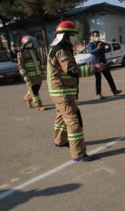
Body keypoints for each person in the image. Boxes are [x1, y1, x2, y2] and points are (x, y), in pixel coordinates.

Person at [47, 21, 104, 162]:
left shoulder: (60, 48)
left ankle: (59, 140)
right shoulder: (61, 50)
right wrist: (94, 68)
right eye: (72, 34)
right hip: (63, 92)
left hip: (58, 91)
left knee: (61, 117)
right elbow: (72, 70)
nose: (73, 37)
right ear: (65, 35)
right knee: (74, 121)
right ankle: (79, 154)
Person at [88, 30, 122, 99]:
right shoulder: (91, 44)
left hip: (104, 63)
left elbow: (106, 51)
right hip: (96, 64)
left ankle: (114, 90)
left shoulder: (102, 43)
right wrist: (97, 48)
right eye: (95, 35)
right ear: (92, 37)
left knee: (109, 77)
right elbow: (91, 51)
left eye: (98, 35)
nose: (97, 37)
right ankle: (98, 94)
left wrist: (108, 48)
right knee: (98, 79)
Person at [17, 35, 46, 111]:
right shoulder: (21, 53)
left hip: (37, 74)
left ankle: (27, 98)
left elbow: (40, 60)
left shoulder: (35, 50)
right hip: (29, 75)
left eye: (31, 42)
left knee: (36, 88)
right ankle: (39, 106)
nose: (31, 44)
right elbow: (21, 65)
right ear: (25, 44)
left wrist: (42, 68)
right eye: (29, 42)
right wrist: (24, 75)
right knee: (34, 90)